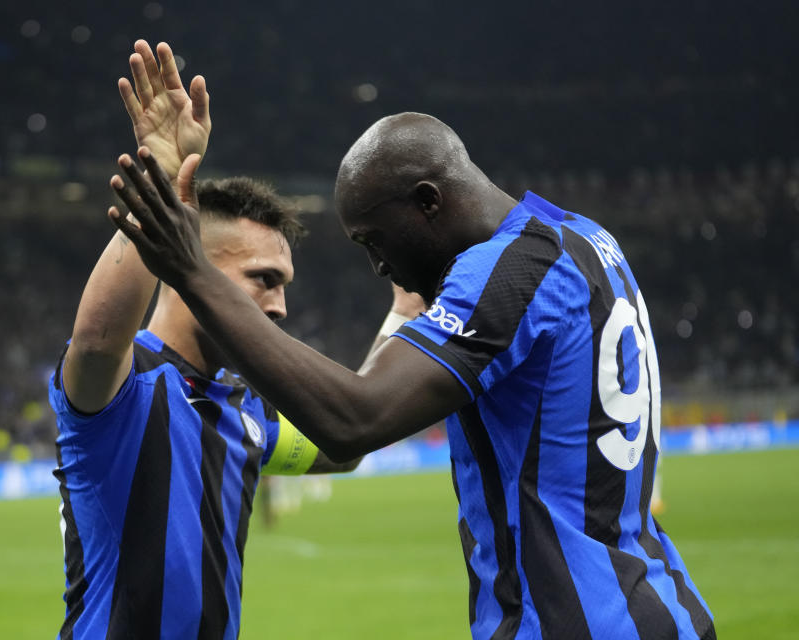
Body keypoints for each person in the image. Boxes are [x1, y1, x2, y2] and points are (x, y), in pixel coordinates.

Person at [109, 110, 716, 638]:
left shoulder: (507, 271)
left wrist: (193, 270)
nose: (378, 265)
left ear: (428, 201)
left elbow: (354, 419)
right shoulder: (583, 238)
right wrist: (402, 320)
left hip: (570, 621)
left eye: (373, 239)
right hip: (660, 601)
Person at [50, 41, 415, 639]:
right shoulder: (126, 388)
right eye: (262, 281)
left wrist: (400, 314)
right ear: (189, 264)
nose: (280, 305)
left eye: (284, 283)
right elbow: (92, 343)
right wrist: (164, 178)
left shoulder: (244, 405)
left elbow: (342, 444)